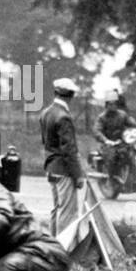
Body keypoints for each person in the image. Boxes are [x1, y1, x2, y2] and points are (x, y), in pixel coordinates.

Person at [40, 77, 85, 236]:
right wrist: (78, 175)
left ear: (56, 93)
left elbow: (45, 141)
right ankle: (64, 251)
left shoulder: (46, 113)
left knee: (56, 209)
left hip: (51, 167)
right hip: (64, 170)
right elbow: (69, 150)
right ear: (71, 95)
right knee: (67, 212)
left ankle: (53, 244)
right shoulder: (64, 116)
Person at [92, 88, 136, 183]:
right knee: (112, 156)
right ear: (106, 105)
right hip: (108, 144)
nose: (113, 106)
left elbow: (133, 123)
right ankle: (112, 179)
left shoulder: (122, 115)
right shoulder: (102, 118)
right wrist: (106, 140)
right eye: (110, 104)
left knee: (133, 152)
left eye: (114, 103)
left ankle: (133, 177)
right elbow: (97, 131)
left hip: (122, 142)